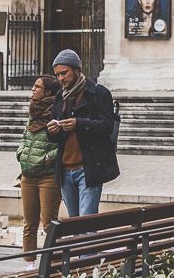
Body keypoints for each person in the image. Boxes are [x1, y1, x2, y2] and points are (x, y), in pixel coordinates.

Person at [47, 49, 120, 217]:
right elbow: (56, 137)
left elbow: (106, 126)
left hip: (88, 167)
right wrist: (52, 130)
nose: (60, 79)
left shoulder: (98, 93)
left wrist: (78, 124)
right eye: (57, 75)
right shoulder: (60, 96)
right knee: (73, 222)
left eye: (64, 73)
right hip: (65, 169)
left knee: (86, 224)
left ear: (77, 69)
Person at [16, 73, 61, 268]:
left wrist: (45, 159)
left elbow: (64, 145)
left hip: (48, 177)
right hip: (27, 175)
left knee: (49, 224)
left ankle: (52, 261)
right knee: (29, 223)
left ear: (48, 92)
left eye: (37, 87)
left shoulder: (58, 112)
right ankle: (29, 264)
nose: (33, 90)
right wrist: (21, 152)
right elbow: (26, 136)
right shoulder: (33, 112)